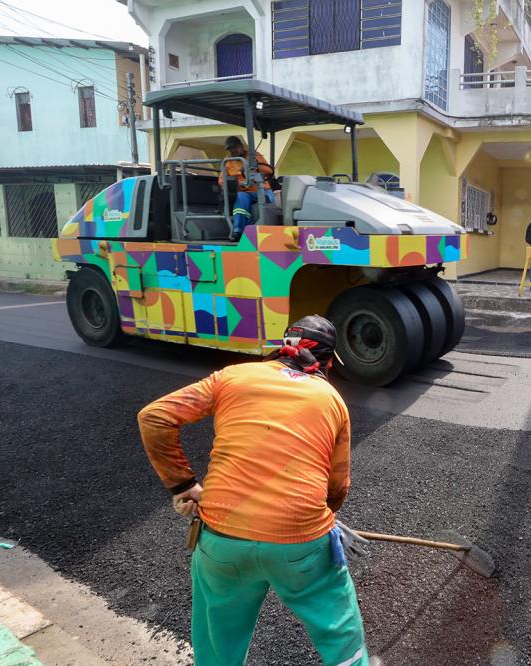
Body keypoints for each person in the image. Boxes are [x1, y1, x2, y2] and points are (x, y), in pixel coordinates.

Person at [137, 316, 370, 666]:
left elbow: (155, 418)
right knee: (340, 631)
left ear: (281, 348)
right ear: (329, 363)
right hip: (301, 542)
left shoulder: (233, 376)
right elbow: (338, 486)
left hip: (222, 539)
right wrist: (324, 519)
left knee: (219, 640)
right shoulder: (331, 399)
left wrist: (183, 486)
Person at [220, 135, 275, 242]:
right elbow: (222, 180)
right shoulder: (227, 162)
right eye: (230, 149)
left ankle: (266, 228)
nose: (233, 151)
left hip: (261, 189)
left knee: (268, 199)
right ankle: (238, 231)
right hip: (244, 192)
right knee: (240, 198)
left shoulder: (253, 156)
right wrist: (236, 184)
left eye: (235, 147)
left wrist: (254, 166)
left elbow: (268, 171)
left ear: (241, 146)